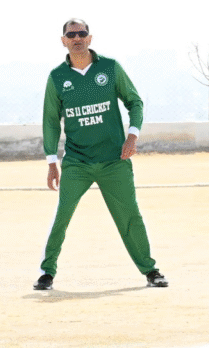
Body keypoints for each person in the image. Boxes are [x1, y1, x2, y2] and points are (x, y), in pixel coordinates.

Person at [34, 18, 168, 291]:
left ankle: (150, 270)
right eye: (72, 34)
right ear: (63, 41)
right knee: (62, 216)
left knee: (129, 216)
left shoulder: (110, 67)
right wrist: (51, 162)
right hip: (77, 162)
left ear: (90, 38)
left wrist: (132, 136)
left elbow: (135, 102)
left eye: (82, 33)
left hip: (114, 160)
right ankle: (47, 272)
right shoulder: (57, 77)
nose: (77, 38)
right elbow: (50, 120)